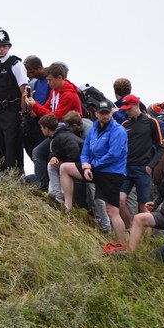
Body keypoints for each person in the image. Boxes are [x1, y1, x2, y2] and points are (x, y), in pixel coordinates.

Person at [60, 100, 128, 247]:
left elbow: (113, 155)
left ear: (111, 113)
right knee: (65, 168)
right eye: (101, 113)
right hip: (93, 169)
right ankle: (67, 208)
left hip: (112, 173)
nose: (104, 116)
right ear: (96, 114)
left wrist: (91, 165)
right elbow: (85, 150)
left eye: (107, 113)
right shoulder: (94, 128)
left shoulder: (118, 131)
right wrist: (85, 165)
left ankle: (123, 246)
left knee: (112, 211)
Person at [26, 62, 83, 191]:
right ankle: (46, 188)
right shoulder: (54, 91)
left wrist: (35, 106)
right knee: (41, 154)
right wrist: (33, 106)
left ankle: (44, 188)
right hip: (58, 134)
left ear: (60, 78)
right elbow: (47, 107)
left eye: (50, 80)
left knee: (39, 153)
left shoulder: (69, 95)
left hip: (68, 136)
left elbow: (55, 117)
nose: (48, 83)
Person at [118, 94, 164, 229]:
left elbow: (160, 148)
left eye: (129, 108)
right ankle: (130, 228)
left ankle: (146, 239)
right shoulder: (125, 124)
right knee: (120, 201)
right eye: (125, 109)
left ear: (137, 105)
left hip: (143, 168)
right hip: (126, 168)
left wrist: (150, 166)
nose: (127, 112)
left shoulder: (151, 122)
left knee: (144, 206)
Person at [0, 28, 27, 174]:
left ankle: (15, 176)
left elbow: (23, 89)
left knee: (12, 144)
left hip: (11, 110)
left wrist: (23, 112)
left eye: (4, 46)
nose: (1, 49)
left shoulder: (15, 64)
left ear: (9, 47)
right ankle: (4, 177)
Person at [38, 114, 83, 204]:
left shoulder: (62, 136)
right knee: (52, 166)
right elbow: (57, 151)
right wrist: (53, 157)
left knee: (59, 168)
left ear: (46, 128)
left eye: (42, 128)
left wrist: (66, 165)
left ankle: (57, 197)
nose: (41, 130)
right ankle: (54, 195)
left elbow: (74, 151)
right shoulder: (58, 135)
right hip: (78, 163)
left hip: (83, 164)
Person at [21, 55, 52, 160]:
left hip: (47, 123)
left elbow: (49, 102)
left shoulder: (49, 81)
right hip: (37, 123)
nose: (30, 75)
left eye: (32, 72)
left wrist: (36, 111)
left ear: (39, 68)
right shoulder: (37, 82)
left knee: (43, 154)